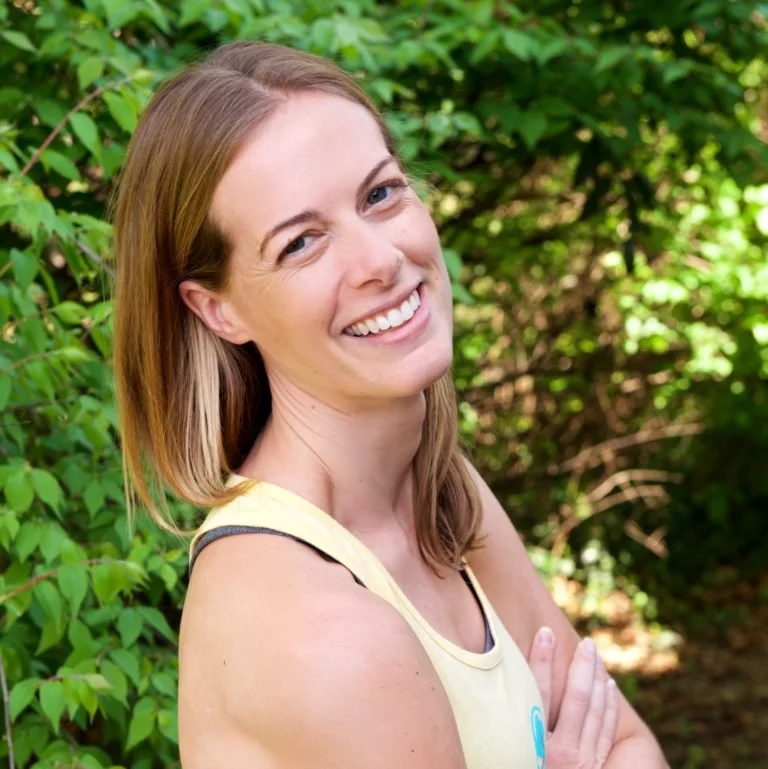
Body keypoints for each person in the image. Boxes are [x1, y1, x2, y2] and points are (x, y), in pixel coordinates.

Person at [112, 41, 667, 769]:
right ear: (217, 310)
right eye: (303, 242)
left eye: (380, 194)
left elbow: (627, 741)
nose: (379, 260)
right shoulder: (318, 624)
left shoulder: (443, 493)